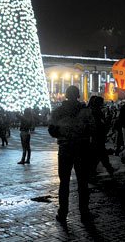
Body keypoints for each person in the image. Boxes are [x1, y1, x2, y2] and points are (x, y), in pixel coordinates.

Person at [48, 85, 96, 223]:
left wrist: (63, 133)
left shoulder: (58, 111)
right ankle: (84, 212)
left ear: (66, 95)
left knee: (64, 182)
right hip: (82, 148)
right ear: (78, 95)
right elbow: (92, 129)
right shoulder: (86, 112)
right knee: (82, 182)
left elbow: (51, 130)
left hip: (65, 148)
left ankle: (63, 212)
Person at [88, 96, 114, 176]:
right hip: (97, 135)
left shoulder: (93, 111)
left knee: (97, 153)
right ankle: (108, 168)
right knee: (100, 153)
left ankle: (94, 169)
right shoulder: (96, 112)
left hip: (97, 136)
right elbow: (100, 124)